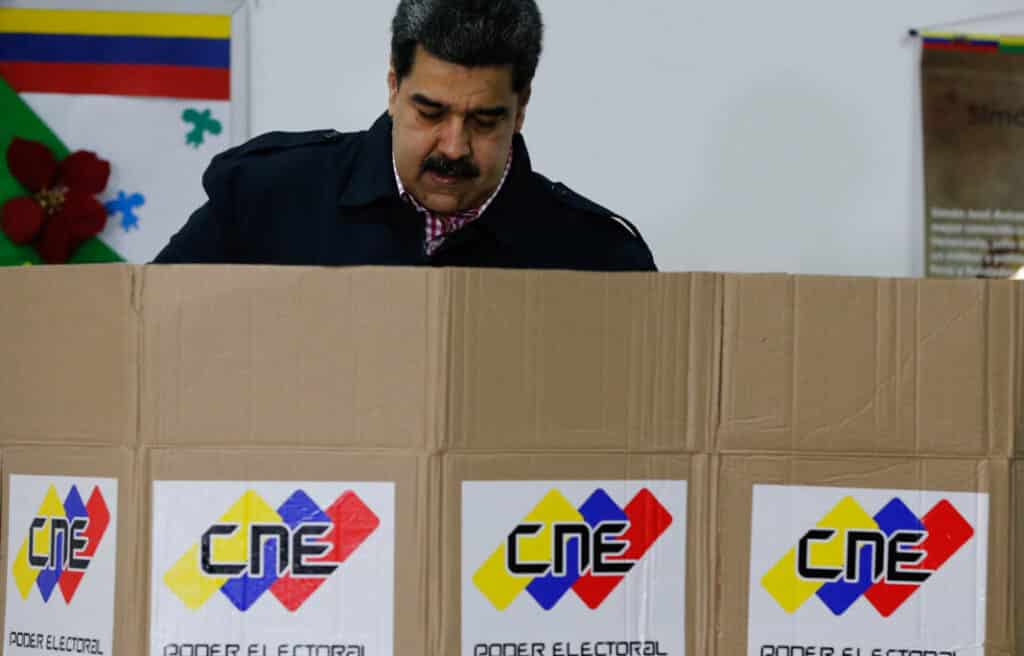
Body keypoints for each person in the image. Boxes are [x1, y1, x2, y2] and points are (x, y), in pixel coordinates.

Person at [153, 0, 657, 271]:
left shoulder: (599, 258)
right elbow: (145, 349)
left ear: (521, 108)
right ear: (394, 86)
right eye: (430, 112)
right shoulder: (262, 200)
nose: (454, 147)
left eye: (484, 121)